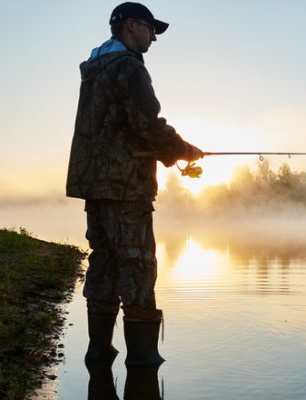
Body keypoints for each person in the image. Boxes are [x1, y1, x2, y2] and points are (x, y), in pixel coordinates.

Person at [66, 2, 202, 368]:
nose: (154, 36)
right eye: (150, 28)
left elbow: (120, 128)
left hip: (95, 183)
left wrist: (169, 155)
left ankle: (99, 352)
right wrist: (184, 150)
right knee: (139, 265)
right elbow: (147, 124)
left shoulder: (96, 68)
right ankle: (143, 362)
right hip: (125, 186)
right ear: (130, 25)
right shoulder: (127, 66)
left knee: (105, 262)